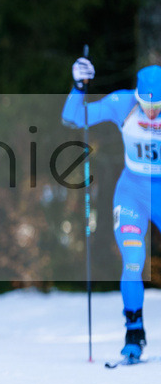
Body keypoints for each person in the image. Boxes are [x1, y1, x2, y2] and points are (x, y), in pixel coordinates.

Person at [62, 58, 161, 360]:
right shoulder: (124, 103)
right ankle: (134, 331)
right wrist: (79, 85)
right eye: (146, 104)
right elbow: (74, 117)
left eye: (157, 105)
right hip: (132, 193)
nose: (152, 111)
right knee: (133, 260)